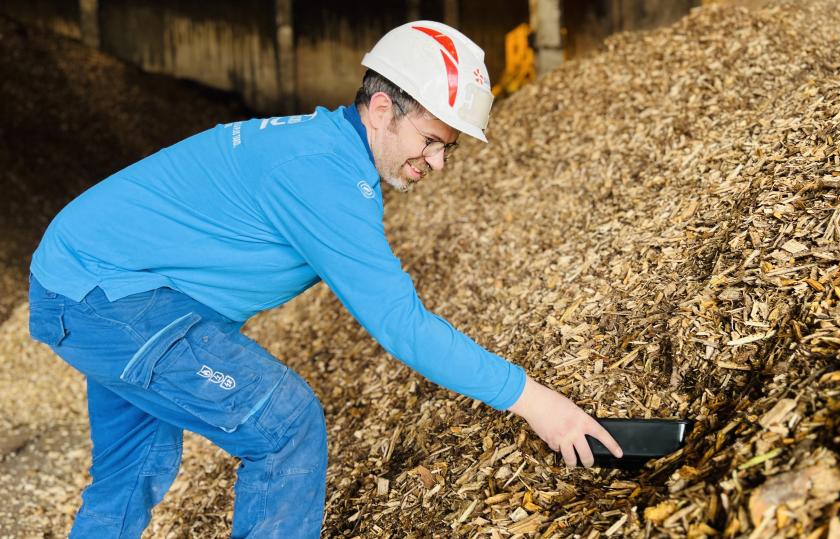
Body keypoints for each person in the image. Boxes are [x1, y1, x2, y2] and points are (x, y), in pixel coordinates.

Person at [27, 21, 622, 538]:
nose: (438, 163)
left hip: (96, 287)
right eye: (433, 142)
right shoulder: (321, 176)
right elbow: (401, 325)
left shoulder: (325, 150)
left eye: (450, 149)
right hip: (104, 295)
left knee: (134, 468)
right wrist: (538, 403)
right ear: (384, 109)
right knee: (284, 424)